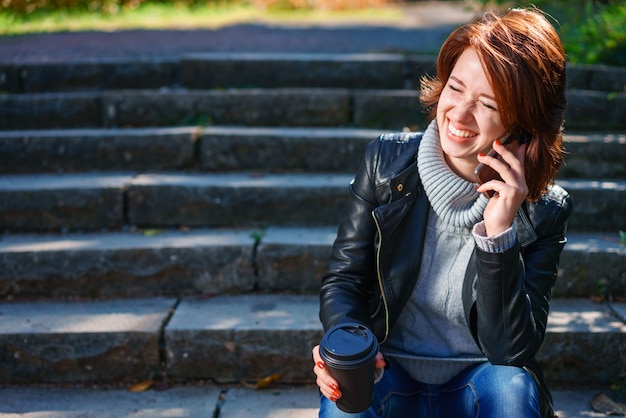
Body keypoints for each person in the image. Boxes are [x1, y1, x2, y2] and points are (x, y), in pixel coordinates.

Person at [312, 7, 572, 418]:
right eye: (456, 88)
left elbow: (510, 350)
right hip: (386, 372)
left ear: (523, 125)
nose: (460, 114)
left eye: (488, 103)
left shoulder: (544, 210)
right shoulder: (385, 165)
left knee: (512, 387)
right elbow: (344, 279)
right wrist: (343, 343)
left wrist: (499, 233)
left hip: (480, 380)